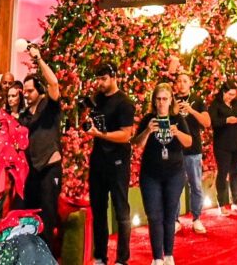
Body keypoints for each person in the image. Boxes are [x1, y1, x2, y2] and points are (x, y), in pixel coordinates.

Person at [83, 62, 137, 265]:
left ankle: (122, 259)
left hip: (118, 161)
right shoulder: (96, 99)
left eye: (104, 78)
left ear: (114, 77)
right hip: (98, 161)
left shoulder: (124, 103)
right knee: (98, 210)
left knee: (121, 210)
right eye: (98, 79)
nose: (100, 83)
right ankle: (100, 256)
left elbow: (126, 135)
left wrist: (101, 134)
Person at [135, 84, 194, 265]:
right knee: (154, 215)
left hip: (174, 173)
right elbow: (136, 144)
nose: (161, 103)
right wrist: (147, 131)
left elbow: (189, 142)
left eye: (165, 99)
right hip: (150, 174)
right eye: (158, 99)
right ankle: (157, 258)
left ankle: (168, 254)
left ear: (170, 101)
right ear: (154, 101)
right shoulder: (148, 119)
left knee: (169, 214)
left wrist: (177, 133)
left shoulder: (177, 119)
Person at [20, 44, 62, 252]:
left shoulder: (49, 105)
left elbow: (53, 83)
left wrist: (39, 59)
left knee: (48, 214)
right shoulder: (24, 115)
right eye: (24, 91)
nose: (26, 94)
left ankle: (49, 256)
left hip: (50, 167)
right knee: (29, 214)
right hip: (32, 171)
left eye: (30, 91)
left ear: (39, 91)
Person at [172, 72, 210, 234]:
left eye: (184, 81)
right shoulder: (170, 99)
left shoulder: (197, 100)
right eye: (179, 81)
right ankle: (174, 220)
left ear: (190, 83)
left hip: (193, 150)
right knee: (174, 187)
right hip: (175, 150)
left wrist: (192, 110)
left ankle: (196, 219)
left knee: (196, 186)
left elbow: (207, 123)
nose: (181, 84)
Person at [208, 81, 237, 215]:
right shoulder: (215, 105)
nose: (232, 97)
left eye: (234, 95)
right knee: (223, 173)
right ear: (224, 92)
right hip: (222, 145)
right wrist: (226, 120)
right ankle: (222, 204)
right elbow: (212, 122)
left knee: (235, 173)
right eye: (230, 94)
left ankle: (235, 202)